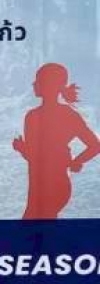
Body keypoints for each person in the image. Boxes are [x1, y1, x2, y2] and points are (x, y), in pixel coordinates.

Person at [13, 63, 100, 220]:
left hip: (49, 187)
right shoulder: (60, 115)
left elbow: (34, 157)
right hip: (43, 187)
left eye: (38, 80)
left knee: (35, 227)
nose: (34, 84)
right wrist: (76, 161)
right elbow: (36, 158)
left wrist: (77, 161)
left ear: (49, 85)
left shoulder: (33, 117)